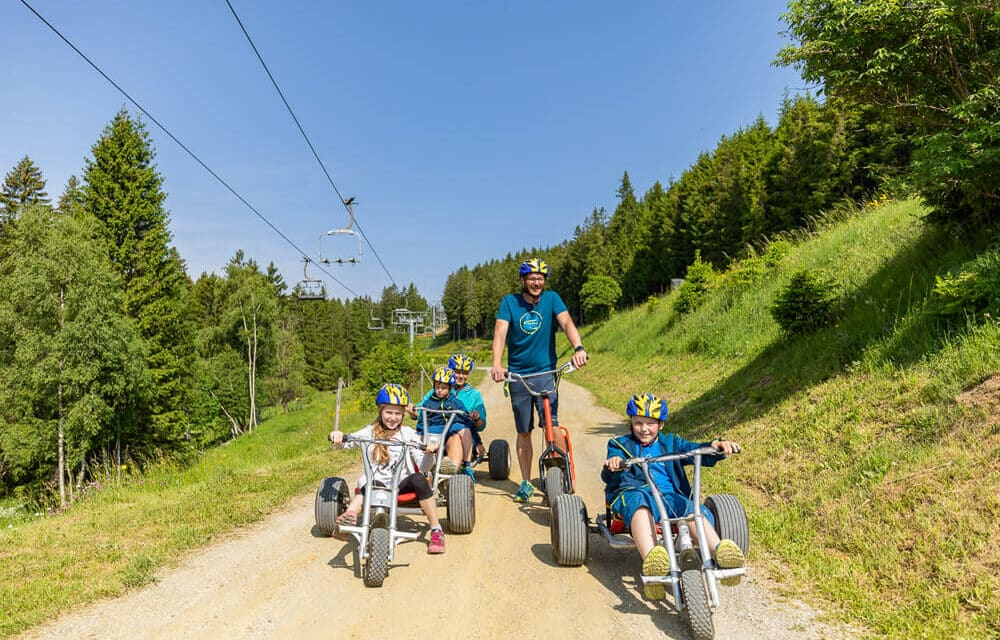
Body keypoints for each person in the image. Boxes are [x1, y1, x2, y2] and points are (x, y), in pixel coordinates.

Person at [601, 392, 745, 599]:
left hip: (669, 496)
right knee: (640, 504)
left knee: (689, 508)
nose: (643, 428)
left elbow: (694, 448)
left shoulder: (671, 443)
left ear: (661, 425)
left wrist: (715, 447)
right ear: (631, 422)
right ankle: (653, 560)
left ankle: (719, 552)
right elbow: (610, 469)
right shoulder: (620, 444)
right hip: (636, 491)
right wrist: (614, 463)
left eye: (650, 423)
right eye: (638, 422)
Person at [490, 258, 589, 502]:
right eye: (532, 278)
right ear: (523, 280)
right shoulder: (509, 302)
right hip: (518, 375)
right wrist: (497, 365)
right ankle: (525, 482)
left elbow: (566, 322)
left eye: (541, 278)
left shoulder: (552, 298)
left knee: (551, 426)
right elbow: (500, 332)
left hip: (546, 373)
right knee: (524, 431)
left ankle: (562, 474)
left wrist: (578, 348)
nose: (537, 282)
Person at [329, 383, 446, 554]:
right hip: (375, 485)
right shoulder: (369, 432)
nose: (393, 417)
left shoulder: (409, 434)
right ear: (380, 411)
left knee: (419, 477)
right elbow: (345, 444)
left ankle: (436, 529)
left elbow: (425, 467)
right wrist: (338, 437)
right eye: (388, 412)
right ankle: (349, 517)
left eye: (398, 413)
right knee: (372, 482)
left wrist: (429, 452)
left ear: (403, 414)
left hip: (400, 485)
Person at [409, 367, 482, 482]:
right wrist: (421, 432)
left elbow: (466, 419)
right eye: (437, 387)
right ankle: (427, 469)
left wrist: (477, 439)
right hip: (434, 429)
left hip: (451, 427)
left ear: (450, 388)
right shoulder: (428, 403)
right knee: (420, 438)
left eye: (443, 388)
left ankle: (467, 465)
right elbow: (421, 421)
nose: (439, 390)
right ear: (433, 386)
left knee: (465, 429)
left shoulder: (456, 402)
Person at [447, 353, 488, 459]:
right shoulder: (440, 389)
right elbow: (422, 409)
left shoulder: (474, 395)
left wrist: (477, 417)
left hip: (466, 433)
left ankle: (462, 466)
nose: (461, 376)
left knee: (459, 438)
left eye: (464, 373)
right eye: (457, 372)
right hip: (441, 430)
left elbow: (481, 425)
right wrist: (413, 411)